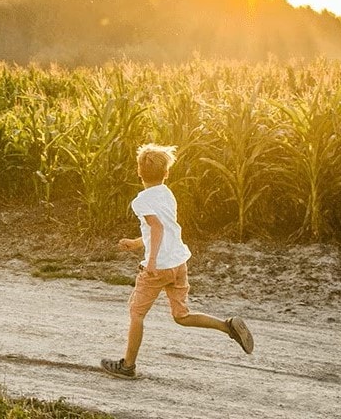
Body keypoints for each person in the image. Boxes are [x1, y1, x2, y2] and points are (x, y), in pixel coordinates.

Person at [101, 143, 254, 379]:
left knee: (136, 314)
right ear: (166, 173)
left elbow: (157, 227)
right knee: (181, 315)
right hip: (178, 264)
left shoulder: (140, 201)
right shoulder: (167, 193)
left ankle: (127, 366)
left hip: (158, 268)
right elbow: (163, 229)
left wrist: (150, 262)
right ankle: (228, 326)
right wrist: (137, 242)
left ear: (138, 172)